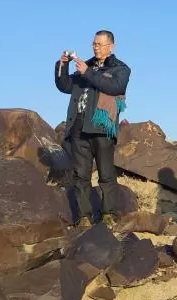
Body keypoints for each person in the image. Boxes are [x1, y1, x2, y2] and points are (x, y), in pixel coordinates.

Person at [55, 30, 130, 228]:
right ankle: (84, 217)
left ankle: (108, 214)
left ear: (111, 46)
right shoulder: (85, 66)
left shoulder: (120, 69)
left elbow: (114, 87)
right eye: (94, 44)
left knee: (106, 174)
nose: (96, 47)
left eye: (100, 44)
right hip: (79, 127)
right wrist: (63, 65)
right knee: (81, 175)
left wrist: (87, 72)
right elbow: (65, 86)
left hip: (102, 128)